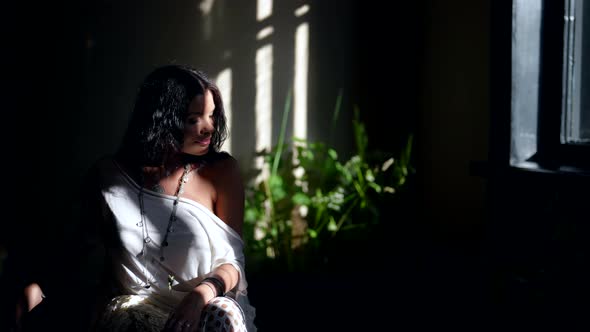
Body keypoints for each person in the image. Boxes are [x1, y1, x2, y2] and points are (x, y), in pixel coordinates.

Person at [11, 64, 257, 332]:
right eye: (193, 119)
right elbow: (83, 252)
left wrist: (200, 296)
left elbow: (233, 264)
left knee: (223, 314)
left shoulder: (221, 173)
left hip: (205, 306)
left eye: (212, 115)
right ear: (162, 118)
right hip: (136, 308)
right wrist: (40, 289)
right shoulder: (110, 177)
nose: (208, 128)